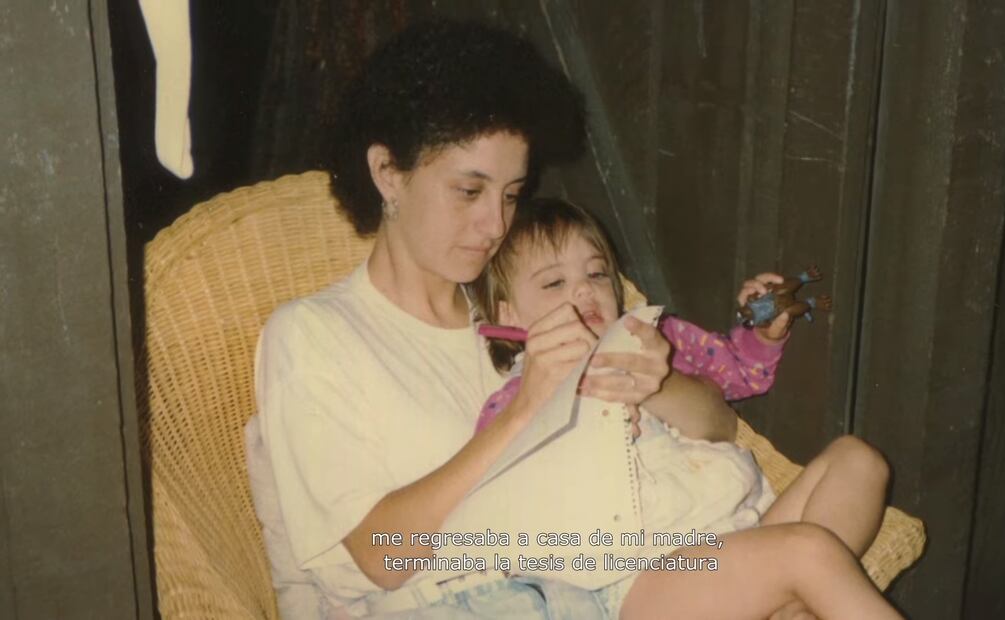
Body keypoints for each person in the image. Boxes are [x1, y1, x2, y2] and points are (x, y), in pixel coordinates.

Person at [248, 18, 742, 619]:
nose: (495, 226)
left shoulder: (524, 297)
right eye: (468, 191)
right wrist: (525, 410)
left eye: (510, 195)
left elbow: (720, 426)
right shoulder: (315, 335)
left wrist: (651, 383)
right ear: (387, 173)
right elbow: (381, 556)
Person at [469, 197, 901, 620]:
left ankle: (790, 609)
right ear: (509, 315)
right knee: (809, 551)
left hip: (739, 537)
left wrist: (763, 335)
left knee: (859, 460)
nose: (585, 288)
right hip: (644, 577)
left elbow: (738, 372)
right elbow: (507, 507)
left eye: (597, 273)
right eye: (553, 283)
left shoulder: (659, 336)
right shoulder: (522, 398)